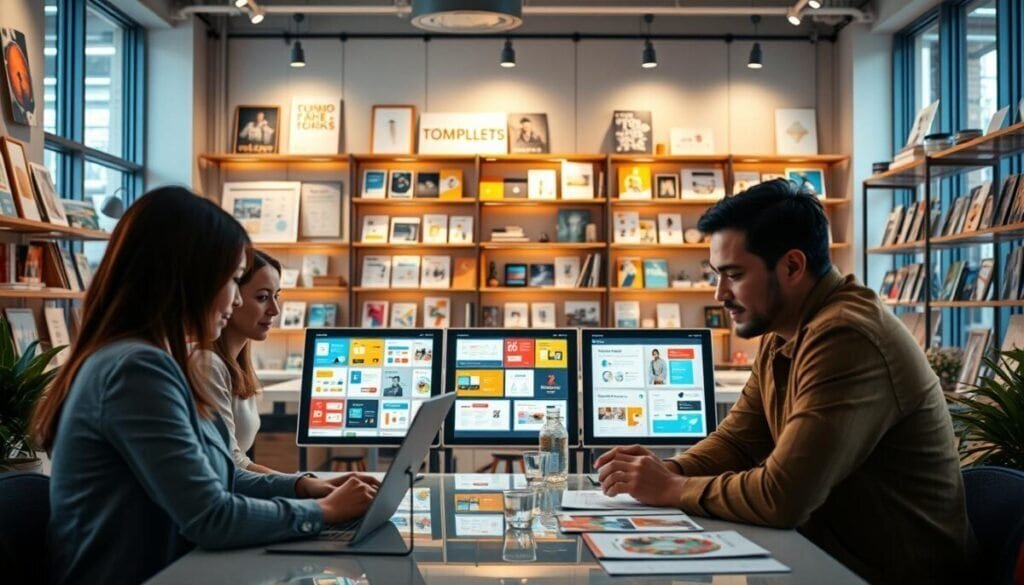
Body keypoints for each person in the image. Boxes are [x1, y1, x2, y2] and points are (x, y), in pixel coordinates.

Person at [594, 179, 976, 584]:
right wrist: (663, 471)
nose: (720, 293)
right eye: (716, 275)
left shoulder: (846, 335)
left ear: (792, 266)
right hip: (829, 559)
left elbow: (782, 497)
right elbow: (738, 441)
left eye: (734, 274)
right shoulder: (785, 331)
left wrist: (670, 487)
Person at [33, 187, 379, 585]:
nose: (237, 301)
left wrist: (307, 489)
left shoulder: (152, 362)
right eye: (232, 279)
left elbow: (224, 477)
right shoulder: (136, 369)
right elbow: (211, 517)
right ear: (189, 279)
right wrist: (325, 512)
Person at [191, 249, 282, 473]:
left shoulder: (237, 365)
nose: (275, 310)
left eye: (276, 296)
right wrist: (306, 484)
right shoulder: (206, 364)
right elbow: (231, 464)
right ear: (231, 296)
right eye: (262, 298)